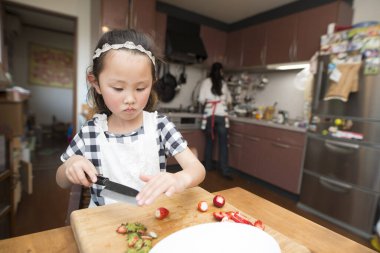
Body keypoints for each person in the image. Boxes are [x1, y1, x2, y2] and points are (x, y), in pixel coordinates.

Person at [56, 29, 205, 207]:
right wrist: (70, 166)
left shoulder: (159, 126)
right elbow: (61, 181)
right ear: (96, 83)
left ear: (152, 83)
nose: (130, 99)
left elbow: (197, 169)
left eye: (141, 88)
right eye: (118, 88)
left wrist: (180, 179)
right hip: (103, 222)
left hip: (152, 218)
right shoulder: (91, 132)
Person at [198, 62, 233, 179]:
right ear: (221, 71)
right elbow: (228, 100)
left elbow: (201, 99)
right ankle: (224, 170)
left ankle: (207, 167)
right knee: (223, 144)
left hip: (209, 115)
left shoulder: (206, 82)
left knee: (209, 143)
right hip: (222, 115)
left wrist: (209, 101)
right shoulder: (223, 83)